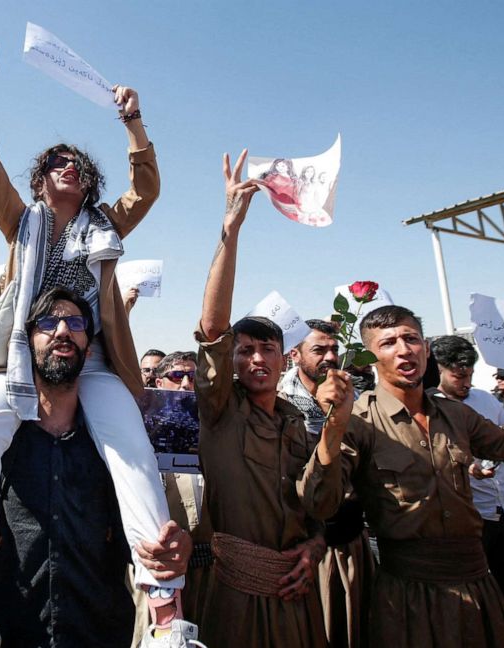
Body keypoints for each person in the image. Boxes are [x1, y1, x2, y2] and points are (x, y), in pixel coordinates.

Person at [0, 40, 187, 646]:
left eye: (75, 160)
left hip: (93, 365)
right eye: (55, 160)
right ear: (41, 177)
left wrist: (132, 122)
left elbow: (149, 189)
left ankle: (163, 610)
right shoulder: (19, 220)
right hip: (18, 366)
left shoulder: (106, 225)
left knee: (132, 450)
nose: (67, 165)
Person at [0, 290, 195, 648]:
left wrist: (172, 549)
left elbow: (138, 533)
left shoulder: (111, 447)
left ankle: (167, 624)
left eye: (76, 323)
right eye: (48, 322)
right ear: (25, 343)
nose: (63, 330)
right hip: (9, 631)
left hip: (98, 631)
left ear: (90, 347)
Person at [300, 305, 504, 647]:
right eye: (389, 343)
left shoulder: (455, 414)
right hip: (409, 595)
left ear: (427, 348)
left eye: (411, 339)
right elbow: (319, 502)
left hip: (477, 582)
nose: (404, 349)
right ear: (369, 357)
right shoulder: (358, 420)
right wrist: (333, 426)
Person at [194, 150, 327, 647]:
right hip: (234, 596)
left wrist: (314, 547)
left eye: (265, 350)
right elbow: (212, 327)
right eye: (243, 350)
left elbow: (313, 506)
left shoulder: (298, 421)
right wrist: (232, 227)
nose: (254, 360)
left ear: (283, 357)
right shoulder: (220, 411)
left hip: (295, 592)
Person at [430, 335, 504, 648]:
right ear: (439, 370)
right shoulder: (430, 409)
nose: (466, 383)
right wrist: (466, 467)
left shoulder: (485, 400)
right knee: (480, 605)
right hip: (472, 524)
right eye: (458, 376)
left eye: (468, 375)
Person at [279, 320, 374, 648]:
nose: (330, 357)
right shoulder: (277, 406)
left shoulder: (357, 401)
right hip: (299, 551)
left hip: (348, 542)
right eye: (319, 349)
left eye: (335, 349)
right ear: (295, 354)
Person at [132, 350, 214, 646]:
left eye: (192, 377)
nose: (185, 384)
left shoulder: (210, 426)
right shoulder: (140, 430)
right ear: (158, 381)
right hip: (159, 572)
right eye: (177, 376)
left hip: (206, 569)